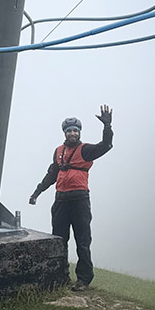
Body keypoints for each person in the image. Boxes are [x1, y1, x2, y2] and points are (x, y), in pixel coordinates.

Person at [28, 105, 113, 291]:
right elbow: (51, 175)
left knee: (82, 241)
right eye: (69, 131)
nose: (73, 133)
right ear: (65, 133)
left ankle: (83, 279)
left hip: (79, 200)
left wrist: (107, 127)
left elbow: (105, 146)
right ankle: (60, 276)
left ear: (79, 132)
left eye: (75, 130)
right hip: (60, 201)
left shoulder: (86, 150)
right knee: (59, 240)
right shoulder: (58, 151)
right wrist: (37, 193)